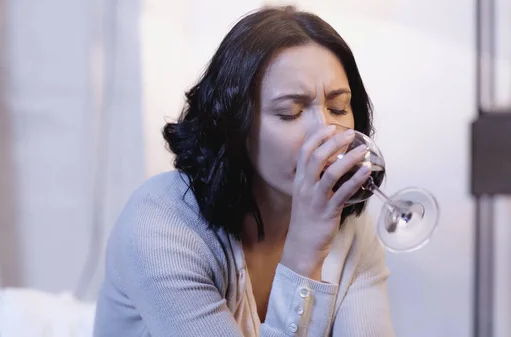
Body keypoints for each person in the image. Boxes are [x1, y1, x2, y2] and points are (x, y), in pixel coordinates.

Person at [93, 5, 394, 337]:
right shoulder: (161, 227)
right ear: (235, 124)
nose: (326, 133)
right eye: (290, 112)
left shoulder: (351, 229)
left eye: (337, 108)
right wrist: (306, 251)